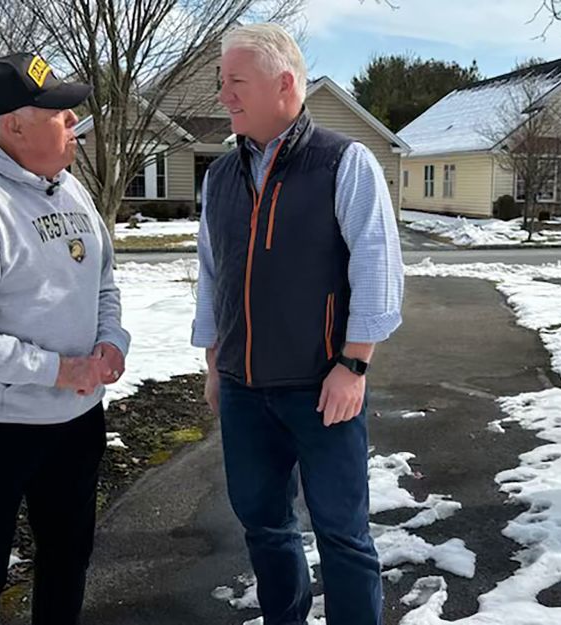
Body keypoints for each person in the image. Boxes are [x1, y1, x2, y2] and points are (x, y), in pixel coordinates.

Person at [192, 23, 404, 625]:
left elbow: (378, 269)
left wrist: (354, 363)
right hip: (242, 389)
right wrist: (214, 363)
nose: (223, 95)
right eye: (222, 82)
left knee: (341, 531)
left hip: (322, 387)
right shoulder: (220, 177)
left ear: (285, 85)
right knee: (263, 524)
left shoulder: (344, 162)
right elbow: (213, 277)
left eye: (236, 82)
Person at [0, 52, 129, 625]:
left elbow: (103, 283)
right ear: (14, 125)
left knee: (68, 558)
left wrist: (112, 341)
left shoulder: (71, 191)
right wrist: (59, 370)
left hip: (75, 418)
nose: (74, 128)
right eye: (59, 115)